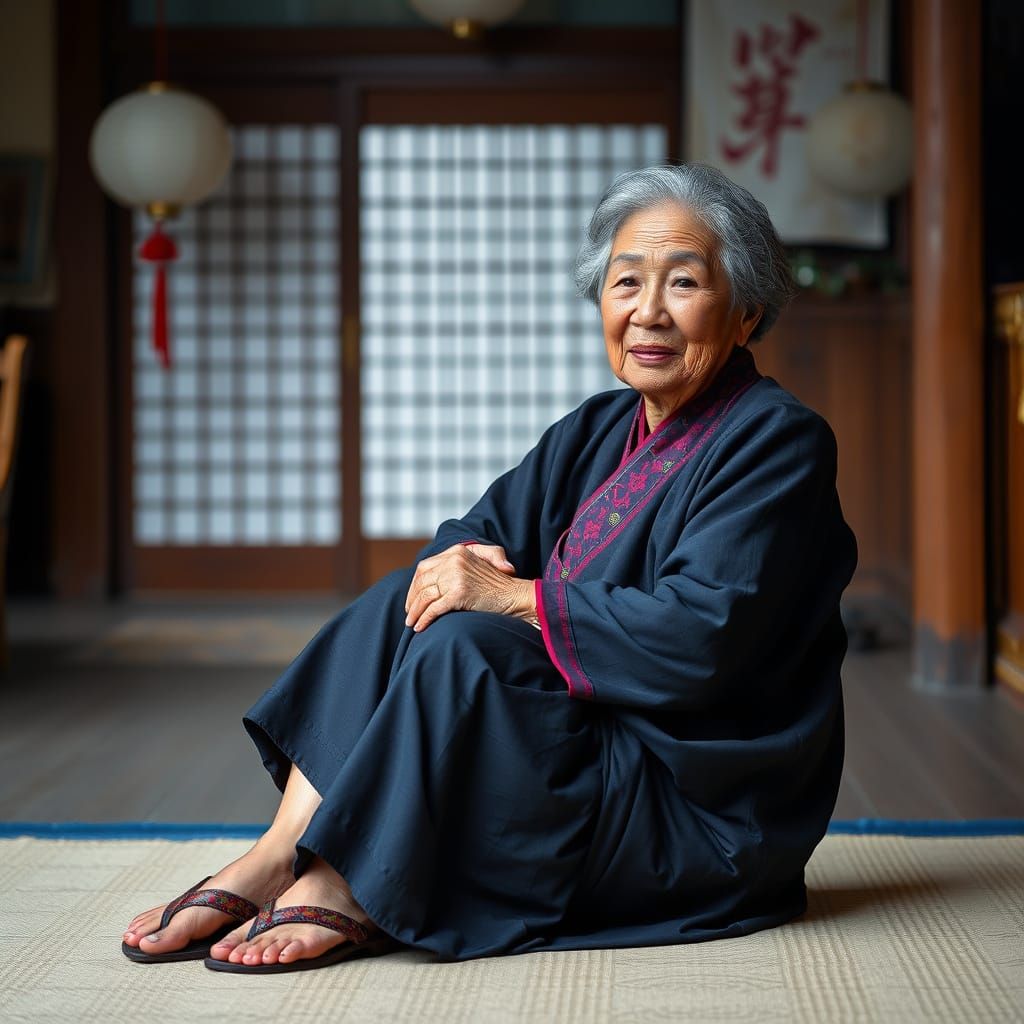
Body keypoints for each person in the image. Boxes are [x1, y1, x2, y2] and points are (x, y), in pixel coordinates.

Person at [122, 163, 857, 974]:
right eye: (625, 283)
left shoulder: (777, 441)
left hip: (689, 797)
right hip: (587, 745)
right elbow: (473, 535)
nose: (648, 312)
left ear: (747, 312)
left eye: (684, 283)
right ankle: (278, 853)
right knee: (412, 599)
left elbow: (700, 637)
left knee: (469, 643)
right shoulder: (597, 429)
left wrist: (514, 600)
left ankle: (346, 883)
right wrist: (472, 576)